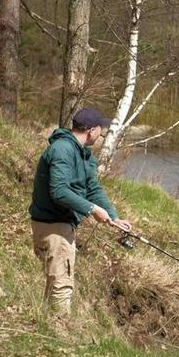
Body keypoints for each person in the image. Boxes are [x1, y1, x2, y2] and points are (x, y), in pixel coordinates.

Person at [29, 107, 132, 315]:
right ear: (91, 130)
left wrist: (113, 216)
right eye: (100, 129)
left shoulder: (80, 153)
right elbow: (59, 191)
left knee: (56, 281)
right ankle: (60, 334)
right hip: (53, 227)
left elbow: (92, 188)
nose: (101, 133)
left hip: (61, 226)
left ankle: (47, 326)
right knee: (62, 285)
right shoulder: (62, 150)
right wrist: (92, 209)